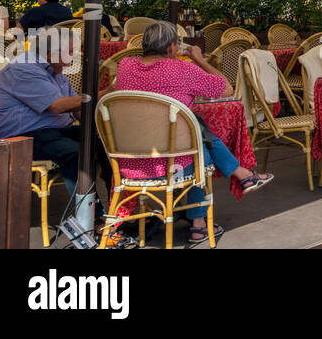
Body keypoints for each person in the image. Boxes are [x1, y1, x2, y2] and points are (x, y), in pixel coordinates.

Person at [112, 21, 271, 245]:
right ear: (170, 48)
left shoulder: (125, 66)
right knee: (202, 150)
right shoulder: (183, 70)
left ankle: (238, 182)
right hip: (171, 166)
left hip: (129, 164)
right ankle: (200, 224)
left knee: (196, 129)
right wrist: (200, 59)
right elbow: (226, 88)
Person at [0, 28, 85, 188]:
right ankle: (88, 210)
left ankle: (115, 203)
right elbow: (57, 106)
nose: (71, 58)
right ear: (51, 54)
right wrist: (101, 94)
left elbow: (76, 109)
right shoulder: (23, 68)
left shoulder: (54, 69)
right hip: (22, 138)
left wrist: (100, 126)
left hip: (54, 132)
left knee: (101, 142)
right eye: (69, 52)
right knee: (75, 152)